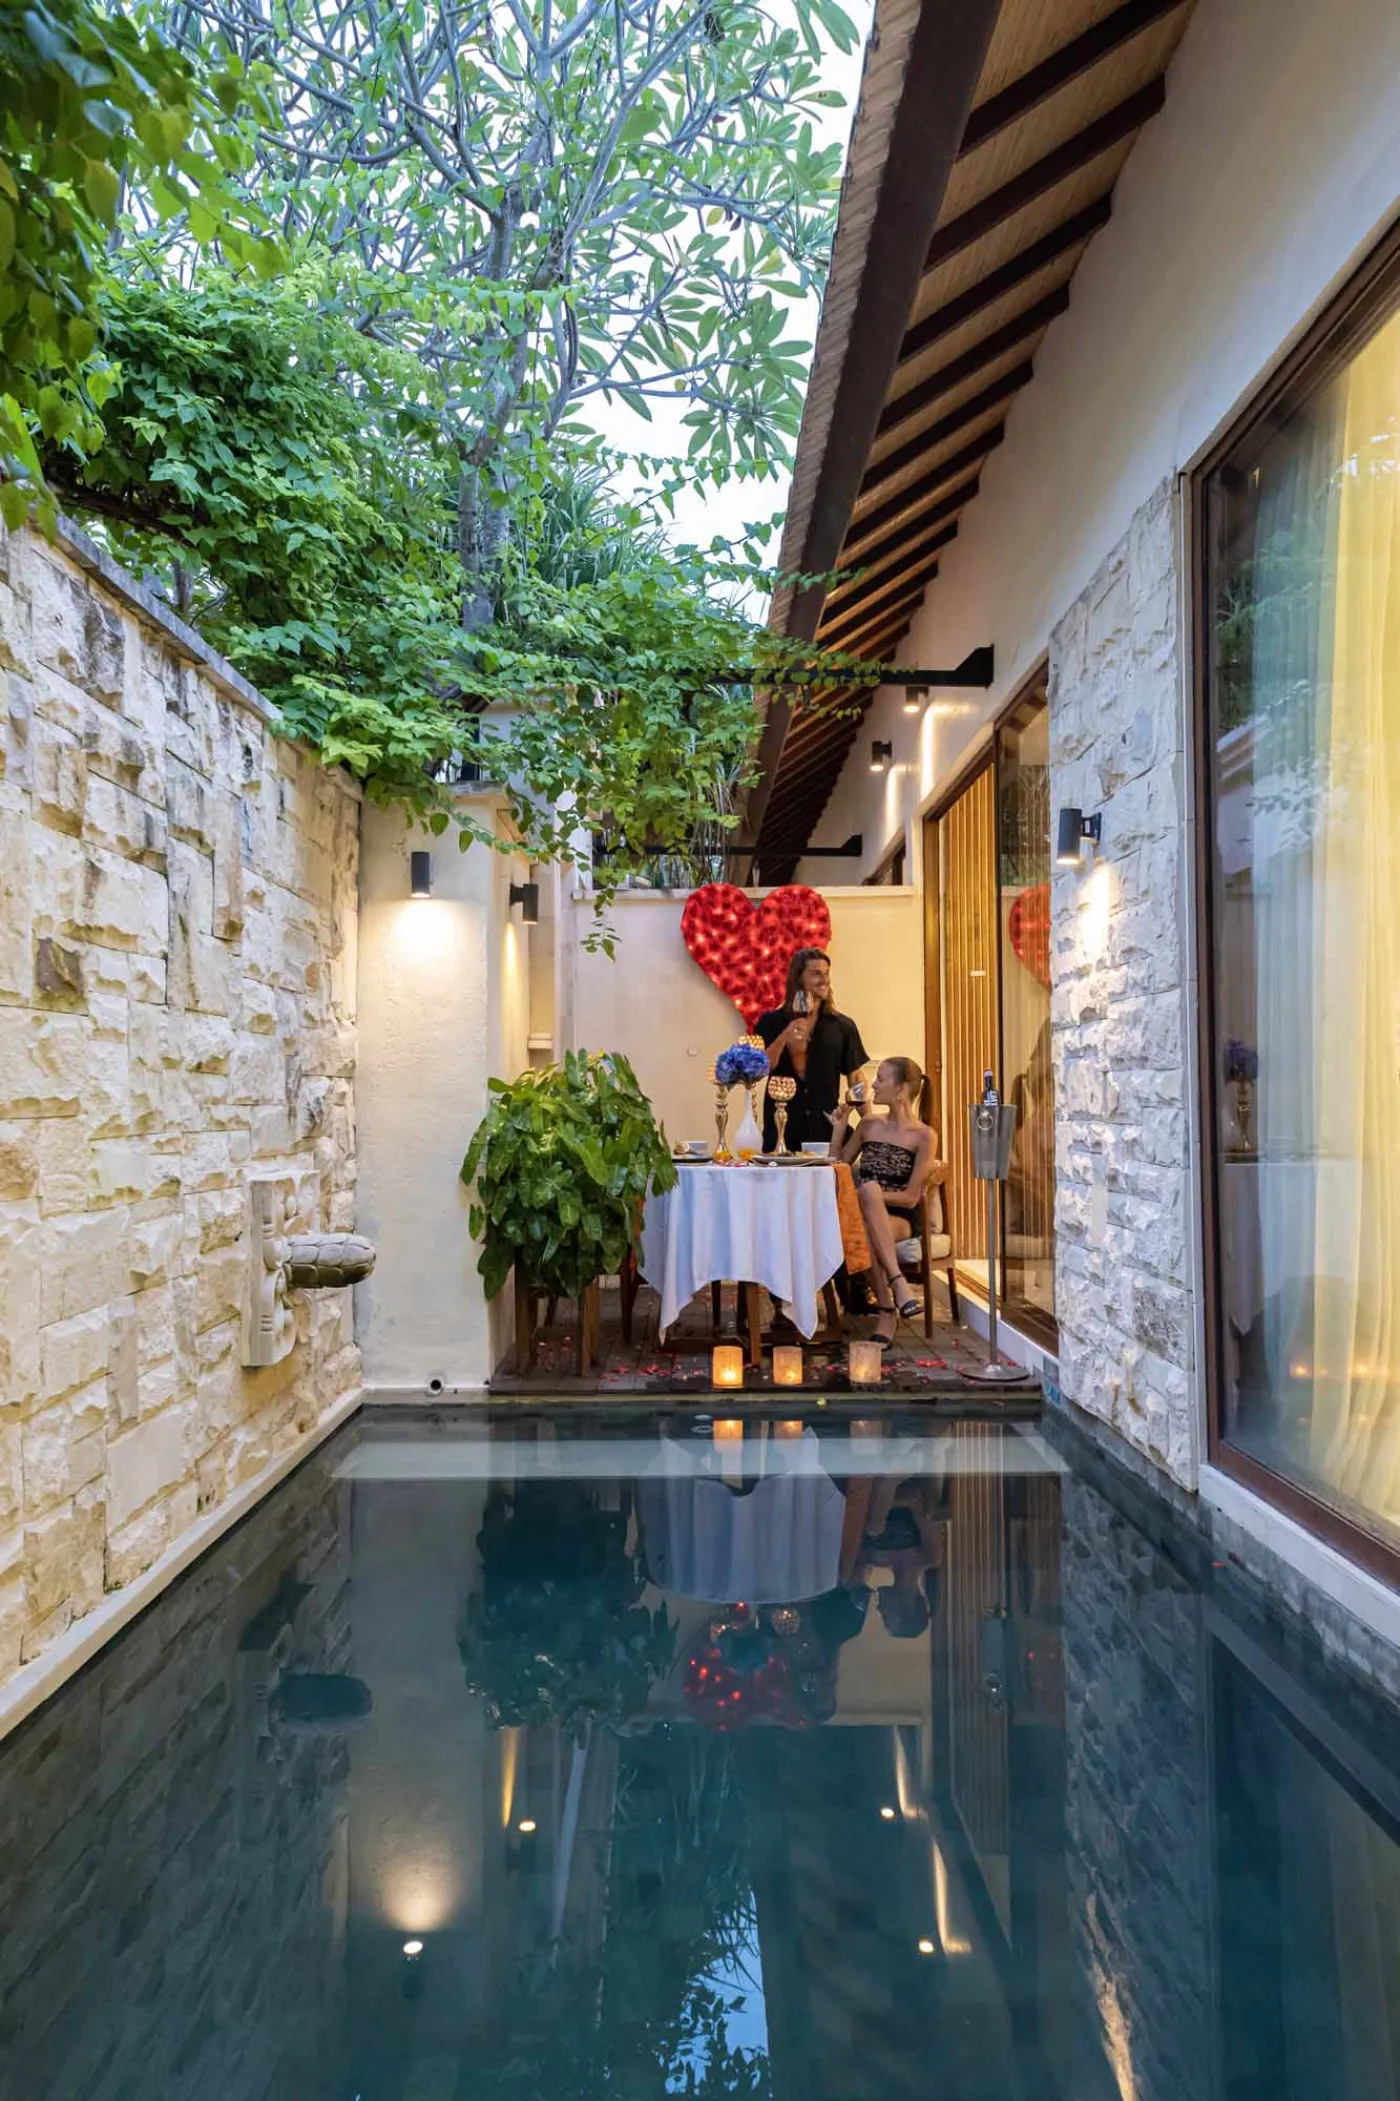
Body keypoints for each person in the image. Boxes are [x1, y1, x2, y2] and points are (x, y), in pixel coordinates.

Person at [830, 1055, 945, 1347]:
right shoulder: (868, 1124)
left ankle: (885, 1310)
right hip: (862, 1216)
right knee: (864, 1218)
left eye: (881, 1078)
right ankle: (897, 1287)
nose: (874, 1084)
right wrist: (839, 1129)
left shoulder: (924, 1136)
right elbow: (838, 1171)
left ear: (902, 1090)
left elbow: (909, 1197)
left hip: (902, 1218)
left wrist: (870, 1195)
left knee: (868, 1193)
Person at [754, 947, 869, 1153]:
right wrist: (784, 1036)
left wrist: (869, 1125)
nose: (824, 979)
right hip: (781, 1129)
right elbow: (760, 1070)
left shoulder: (842, 1026)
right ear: (798, 978)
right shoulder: (770, 1022)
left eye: (826, 973)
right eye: (816, 973)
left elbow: (855, 1079)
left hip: (826, 1131)